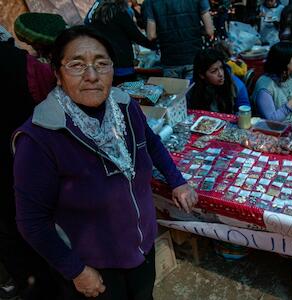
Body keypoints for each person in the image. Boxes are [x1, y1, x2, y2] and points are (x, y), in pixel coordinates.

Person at [12, 25, 197, 299]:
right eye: (77, 65)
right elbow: (32, 222)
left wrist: (177, 181)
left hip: (142, 249)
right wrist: (75, 270)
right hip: (96, 267)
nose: (92, 76)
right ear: (57, 73)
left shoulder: (125, 107)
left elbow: (152, 144)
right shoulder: (40, 137)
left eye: (102, 64)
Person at [0, 31, 57, 299]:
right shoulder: (24, 64)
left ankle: (28, 283)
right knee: (37, 218)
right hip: (26, 154)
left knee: (9, 228)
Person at [89, 0, 156, 85]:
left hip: (104, 62)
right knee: (128, 91)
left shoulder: (97, 13)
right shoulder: (119, 12)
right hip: (122, 62)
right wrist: (154, 45)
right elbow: (135, 35)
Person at [145, 0, 214, 79]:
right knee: (193, 90)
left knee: (173, 91)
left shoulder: (150, 2)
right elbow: (209, 31)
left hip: (169, 60)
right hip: (193, 58)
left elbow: (151, 35)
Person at [187, 48, 251, 114]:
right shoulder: (190, 87)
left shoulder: (236, 85)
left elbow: (245, 111)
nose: (220, 74)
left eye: (221, 67)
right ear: (202, 75)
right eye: (214, 71)